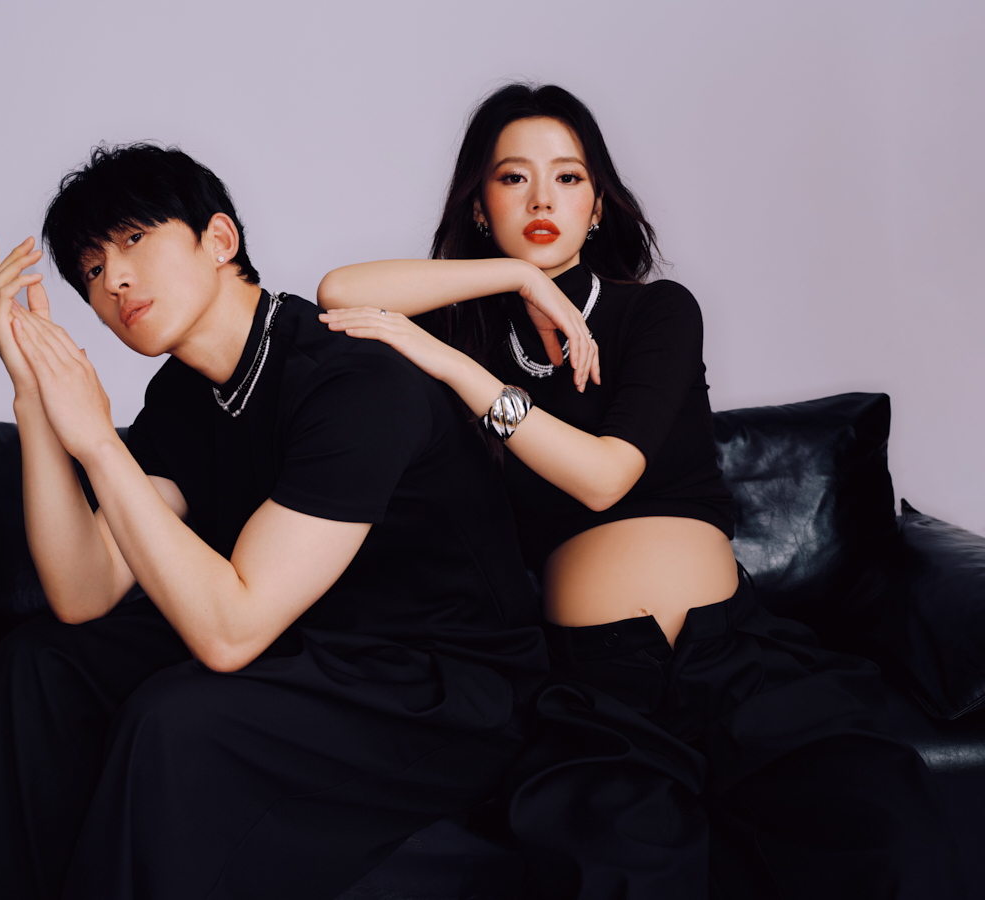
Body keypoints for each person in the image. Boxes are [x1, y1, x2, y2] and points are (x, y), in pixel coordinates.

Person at [317, 83, 963, 899]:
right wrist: (514, 276)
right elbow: (337, 294)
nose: (542, 199)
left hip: (734, 656)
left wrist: (457, 372)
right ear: (480, 208)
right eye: (513, 178)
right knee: (623, 873)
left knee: (888, 836)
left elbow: (604, 477)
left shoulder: (657, 312)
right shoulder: (473, 334)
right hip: (598, 687)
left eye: (569, 178)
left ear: (597, 208)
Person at [0, 143, 547, 900]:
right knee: (39, 662)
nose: (115, 281)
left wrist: (98, 443)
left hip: (444, 689)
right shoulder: (182, 397)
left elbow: (229, 635)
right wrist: (35, 398)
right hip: (310, 644)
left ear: (220, 239)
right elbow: (82, 591)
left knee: (176, 720)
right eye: (92, 270)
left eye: (134, 239)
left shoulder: (351, 375)